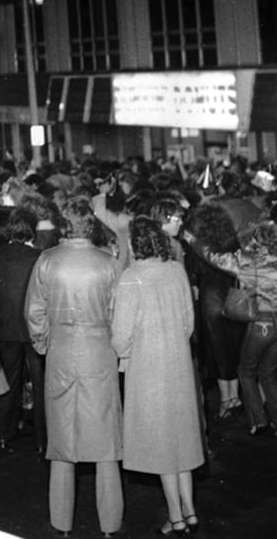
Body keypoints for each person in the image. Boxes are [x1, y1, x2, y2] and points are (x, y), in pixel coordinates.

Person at [26, 198, 123, 538]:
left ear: (63, 225)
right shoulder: (109, 263)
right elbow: (118, 314)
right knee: (107, 442)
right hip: (100, 352)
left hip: (62, 352)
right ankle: (110, 525)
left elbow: (35, 313)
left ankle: (62, 524)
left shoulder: (47, 260)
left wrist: (43, 345)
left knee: (62, 442)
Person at [110, 217, 202, 536]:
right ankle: (189, 510)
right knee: (182, 438)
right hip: (177, 362)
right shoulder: (176, 270)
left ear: (136, 243)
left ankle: (175, 516)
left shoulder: (131, 278)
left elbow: (120, 336)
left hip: (147, 367)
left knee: (160, 442)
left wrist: (127, 349)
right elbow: (189, 324)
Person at [192, 220, 277, 436]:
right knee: (268, 372)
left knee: (246, 371)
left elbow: (214, 257)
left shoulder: (246, 262)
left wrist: (193, 240)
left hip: (261, 324)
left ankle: (259, 421)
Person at [0, 207, 46, 453]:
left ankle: (3, 434)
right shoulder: (39, 256)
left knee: (9, 383)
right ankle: (44, 439)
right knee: (40, 383)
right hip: (33, 328)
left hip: (6, 326)